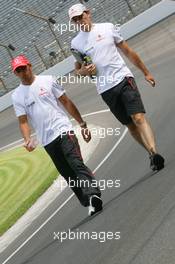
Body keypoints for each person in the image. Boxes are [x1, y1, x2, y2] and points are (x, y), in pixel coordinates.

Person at [68, 3, 165, 171]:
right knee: (130, 125)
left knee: (138, 117)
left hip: (123, 78)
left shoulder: (107, 28)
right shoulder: (76, 43)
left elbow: (127, 51)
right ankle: (150, 152)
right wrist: (84, 70)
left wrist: (146, 72)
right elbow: (78, 71)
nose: (79, 21)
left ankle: (155, 152)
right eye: (75, 20)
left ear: (88, 13)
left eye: (81, 16)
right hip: (105, 89)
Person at [11, 55, 102, 216]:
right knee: (67, 173)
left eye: (23, 68)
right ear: (15, 74)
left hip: (64, 130)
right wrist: (27, 139)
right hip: (47, 141)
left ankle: (93, 194)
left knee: (76, 163)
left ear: (30, 66)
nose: (22, 72)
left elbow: (66, 101)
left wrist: (82, 124)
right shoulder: (17, 95)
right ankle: (87, 201)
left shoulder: (47, 80)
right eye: (18, 71)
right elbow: (23, 121)